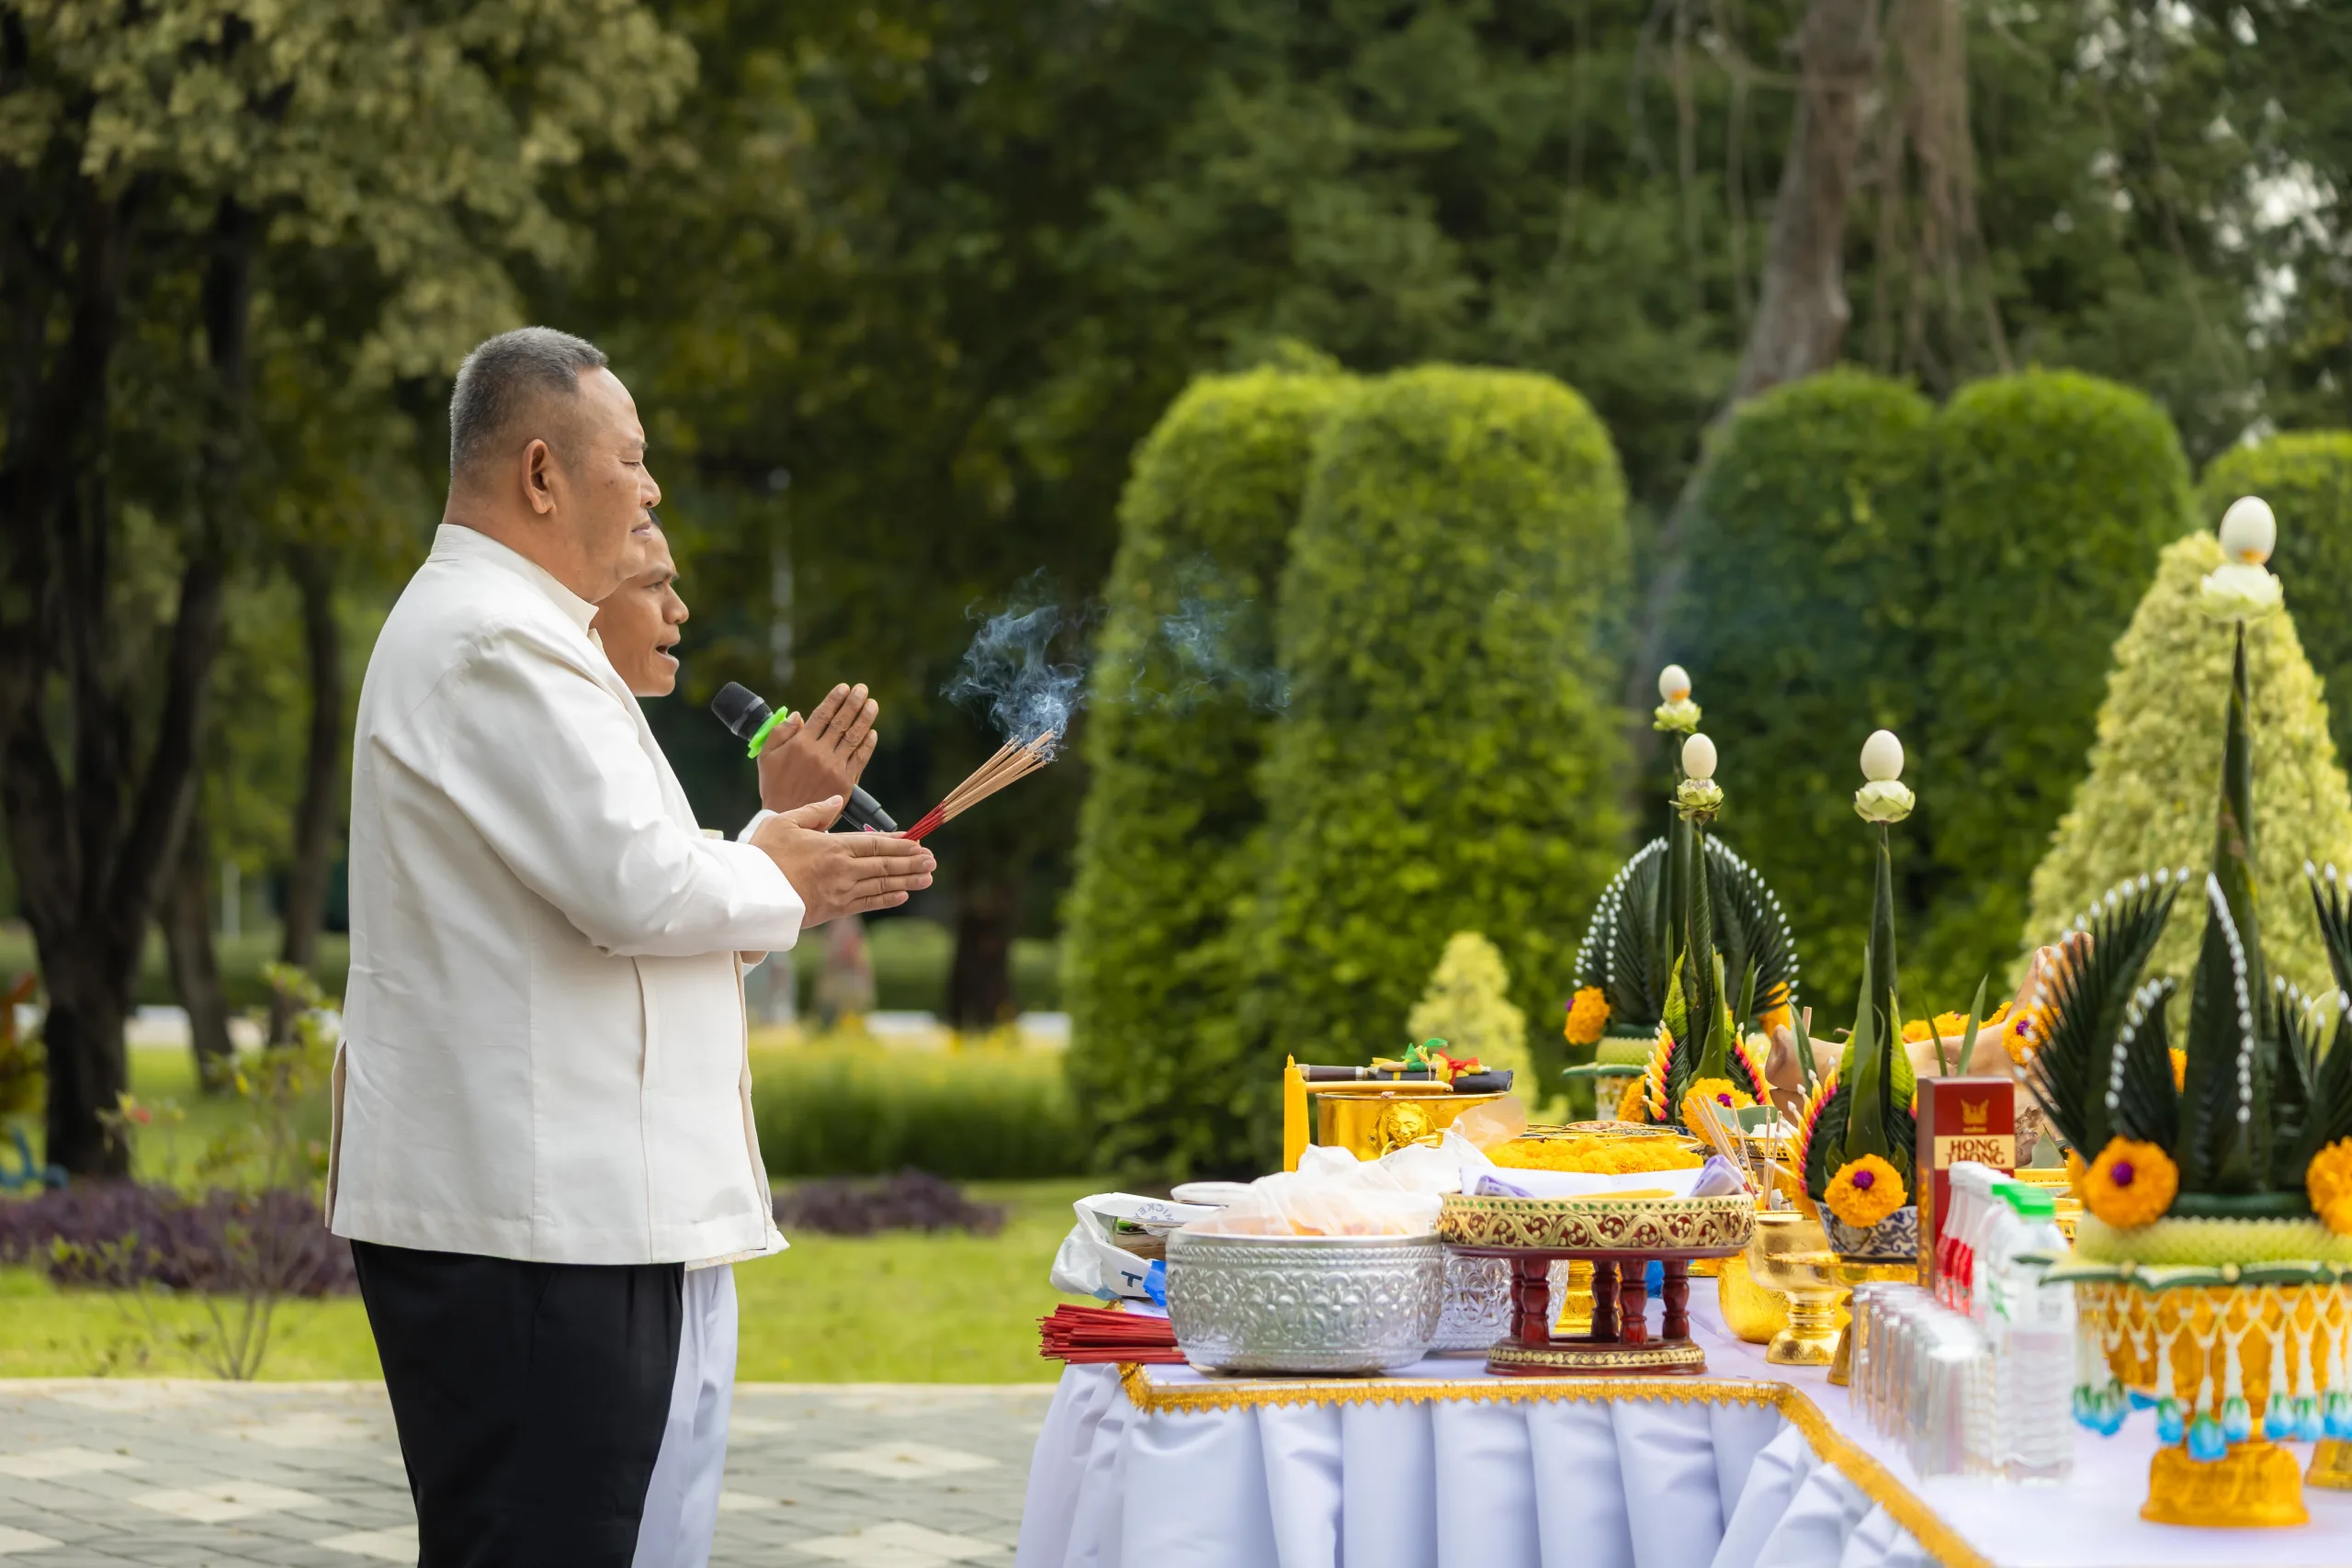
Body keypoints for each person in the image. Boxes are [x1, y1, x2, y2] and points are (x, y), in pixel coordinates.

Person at [329, 326, 935, 1568]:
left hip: (566, 1220)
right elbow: (634, 884)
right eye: (633, 459)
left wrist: (774, 865)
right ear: (541, 473)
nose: (651, 489)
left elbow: (619, 893)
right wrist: (781, 875)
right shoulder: (495, 639)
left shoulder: (526, 634)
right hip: (530, 1225)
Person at [585, 524, 882, 1568]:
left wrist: (784, 837)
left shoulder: (622, 733)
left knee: (673, 1527)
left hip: (681, 1216)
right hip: (603, 1227)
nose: (679, 612)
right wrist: (771, 855)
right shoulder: (538, 694)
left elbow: (668, 939)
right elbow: (638, 903)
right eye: (654, 586)